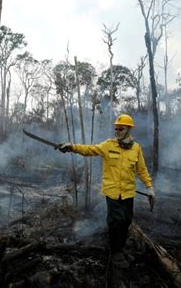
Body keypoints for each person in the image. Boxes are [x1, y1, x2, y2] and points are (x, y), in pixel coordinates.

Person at [57, 114, 155, 268]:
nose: (117, 131)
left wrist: (149, 187)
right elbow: (89, 149)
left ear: (128, 129)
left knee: (126, 221)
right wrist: (71, 147)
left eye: (120, 128)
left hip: (129, 193)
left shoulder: (136, 148)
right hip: (112, 192)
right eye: (116, 128)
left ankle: (120, 248)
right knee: (116, 222)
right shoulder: (108, 145)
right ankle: (115, 252)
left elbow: (142, 170)